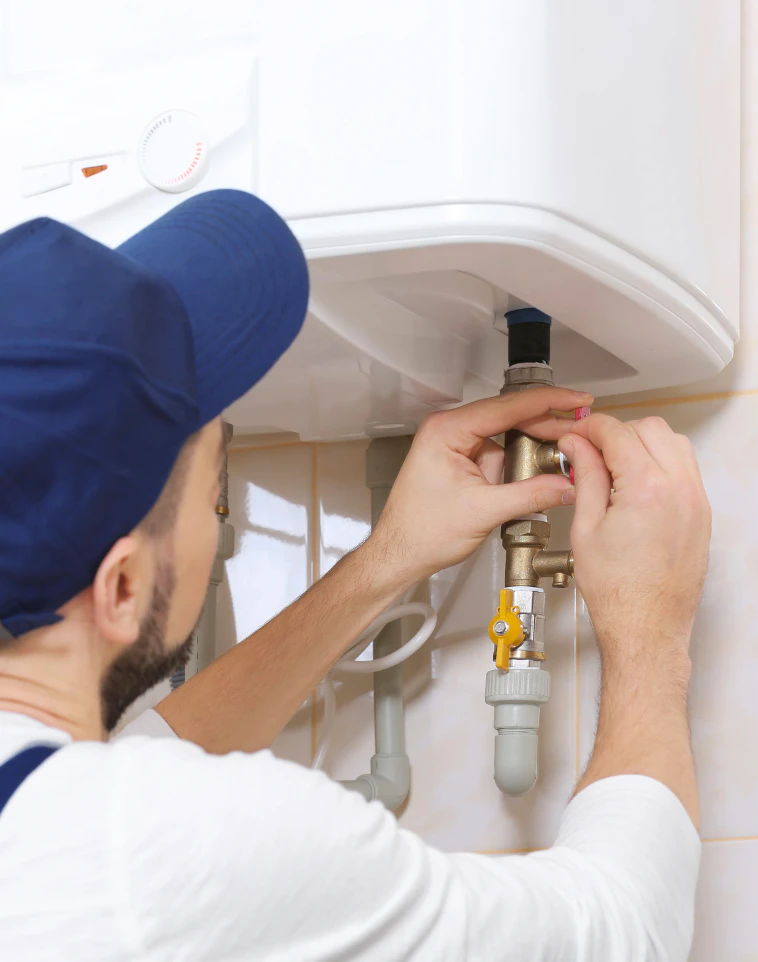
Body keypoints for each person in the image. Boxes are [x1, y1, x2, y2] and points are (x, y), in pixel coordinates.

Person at [0, 190, 711, 961]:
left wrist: (387, 561)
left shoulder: (68, 831)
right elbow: (623, 935)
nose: (217, 508)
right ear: (123, 588)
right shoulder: (165, 858)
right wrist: (650, 632)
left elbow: (134, 773)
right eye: (214, 491)